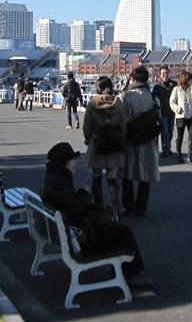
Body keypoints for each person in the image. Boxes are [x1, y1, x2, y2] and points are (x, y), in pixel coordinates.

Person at [42, 141, 151, 287]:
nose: (74, 164)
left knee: (114, 225)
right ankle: (131, 274)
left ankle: (126, 272)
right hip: (81, 235)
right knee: (124, 233)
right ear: (64, 163)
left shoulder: (55, 179)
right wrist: (84, 193)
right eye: (72, 161)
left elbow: (70, 207)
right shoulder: (58, 184)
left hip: (72, 230)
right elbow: (76, 209)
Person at [82, 76, 126, 215]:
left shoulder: (92, 104)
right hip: (114, 144)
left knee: (97, 177)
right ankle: (117, 208)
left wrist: (89, 140)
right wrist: (122, 143)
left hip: (97, 143)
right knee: (112, 178)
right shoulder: (118, 104)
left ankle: (99, 208)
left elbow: (86, 127)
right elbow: (123, 126)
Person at [120, 66, 160, 217]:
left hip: (131, 139)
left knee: (127, 174)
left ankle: (128, 206)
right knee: (145, 174)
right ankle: (141, 207)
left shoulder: (127, 96)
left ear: (133, 79)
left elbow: (123, 119)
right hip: (148, 139)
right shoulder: (152, 97)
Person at [169, 70, 192, 164]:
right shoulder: (177, 89)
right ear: (185, 79)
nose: (191, 81)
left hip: (191, 116)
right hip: (180, 116)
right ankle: (179, 154)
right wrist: (178, 109)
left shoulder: (191, 89)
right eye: (189, 79)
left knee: (191, 136)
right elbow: (172, 102)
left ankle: (189, 157)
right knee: (180, 136)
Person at [151, 65, 176, 157]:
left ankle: (168, 147)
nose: (164, 75)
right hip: (162, 113)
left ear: (169, 73)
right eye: (162, 73)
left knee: (170, 132)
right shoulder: (157, 86)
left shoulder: (174, 85)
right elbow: (153, 99)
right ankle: (166, 150)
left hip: (172, 112)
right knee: (165, 132)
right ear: (160, 75)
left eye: (166, 73)